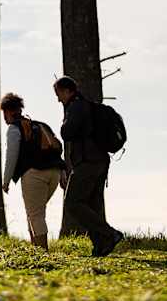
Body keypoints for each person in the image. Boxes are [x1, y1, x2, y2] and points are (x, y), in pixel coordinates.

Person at [53, 76, 124, 257]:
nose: (58, 98)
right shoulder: (89, 106)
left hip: (87, 162)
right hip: (100, 161)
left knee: (73, 203)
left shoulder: (76, 106)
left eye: (59, 93)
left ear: (68, 91)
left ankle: (110, 234)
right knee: (93, 205)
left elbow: (66, 133)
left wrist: (64, 121)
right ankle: (100, 247)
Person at [0, 93, 65, 251]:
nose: (4, 117)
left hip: (34, 174)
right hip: (54, 174)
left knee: (35, 215)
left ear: (8, 111)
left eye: (3, 113)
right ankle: (35, 249)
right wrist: (62, 172)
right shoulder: (41, 125)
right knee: (35, 212)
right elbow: (56, 150)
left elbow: (11, 155)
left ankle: (42, 253)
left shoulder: (14, 128)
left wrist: (6, 180)